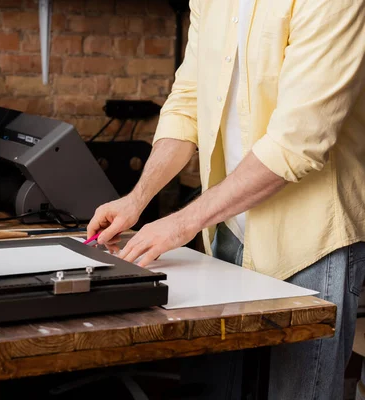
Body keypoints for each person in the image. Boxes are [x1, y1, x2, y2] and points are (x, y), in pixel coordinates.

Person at [87, 0, 365, 398]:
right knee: (218, 388)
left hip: (311, 240)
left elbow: (298, 141)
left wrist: (181, 223)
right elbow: (187, 103)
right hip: (228, 227)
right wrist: (138, 199)